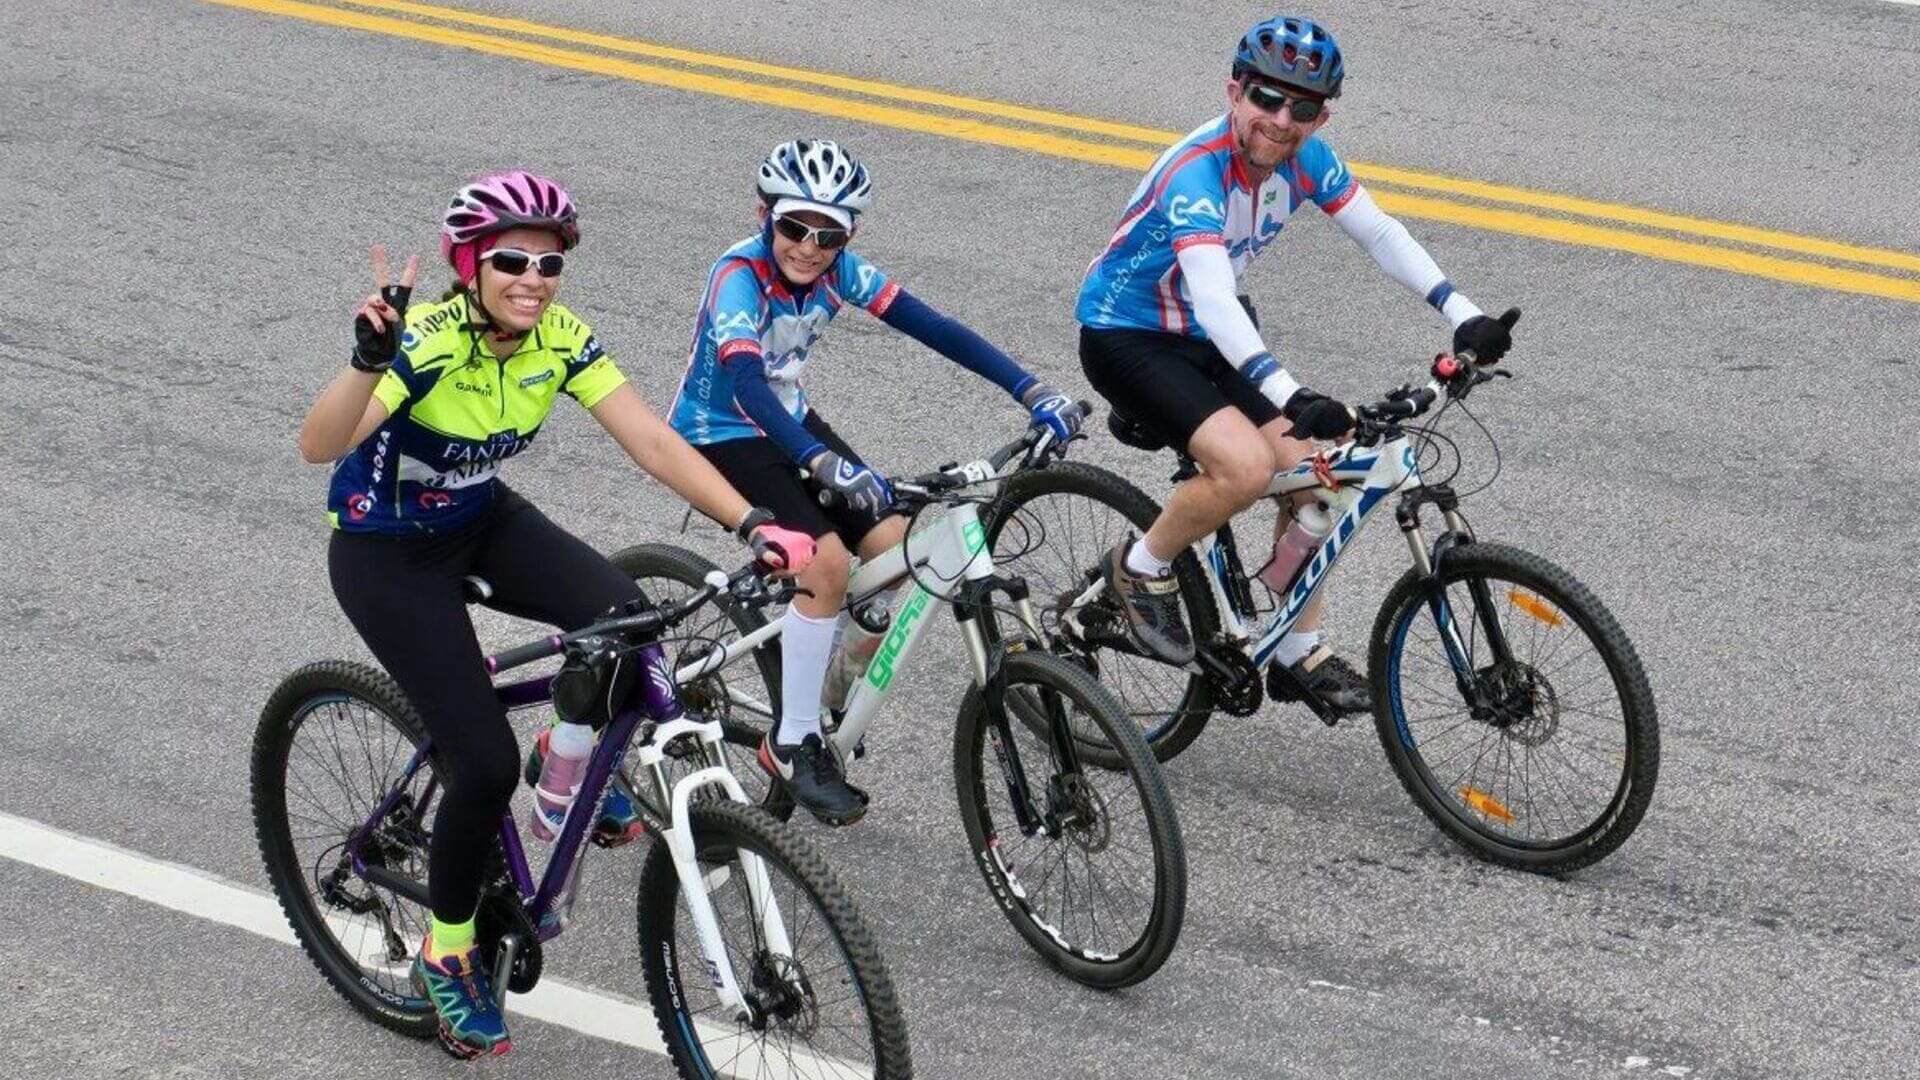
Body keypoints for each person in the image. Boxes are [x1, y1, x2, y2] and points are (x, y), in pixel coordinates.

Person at [297, 170, 814, 1059]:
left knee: (630, 619)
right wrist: (365, 364)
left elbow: (651, 439)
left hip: (478, 518)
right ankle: (446, 952)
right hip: (386, 554)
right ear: (470, 266)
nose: (534, 278)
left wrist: (753, 521)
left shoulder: (559, 338)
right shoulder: (424, 344)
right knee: (482, 763)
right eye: (511, 261)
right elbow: (321, 445)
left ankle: (566, 755)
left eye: (550, 264)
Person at [1075, 15, 1518, 714]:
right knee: (1247, 468)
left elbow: (1379, 232)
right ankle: (1140, 570)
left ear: (1320, 114)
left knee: (1328, 471)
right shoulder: (1199, 171)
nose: (1281, 120)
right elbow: (1215, 297)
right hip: (1131, 336)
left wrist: (1461, 311)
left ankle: (1290, 647)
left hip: (1214, 335)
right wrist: (1290, 390)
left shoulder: (1306, 158)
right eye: (1266, 98)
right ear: (1234, 91)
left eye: (1302, 107)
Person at [667, 139, 1086, 824]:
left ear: (848, 235)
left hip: (790, 422)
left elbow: (937, 329)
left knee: (898, 552)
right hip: (722, 433)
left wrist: (1033, 390)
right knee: (826, 565)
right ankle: (792, 740)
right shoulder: (738, 276)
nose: (807, 246)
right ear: (764, 215)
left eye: (828, 235)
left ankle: (820, 679)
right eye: (793, 227)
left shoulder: (841, 273)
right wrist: (819, 460)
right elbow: (747, 384)